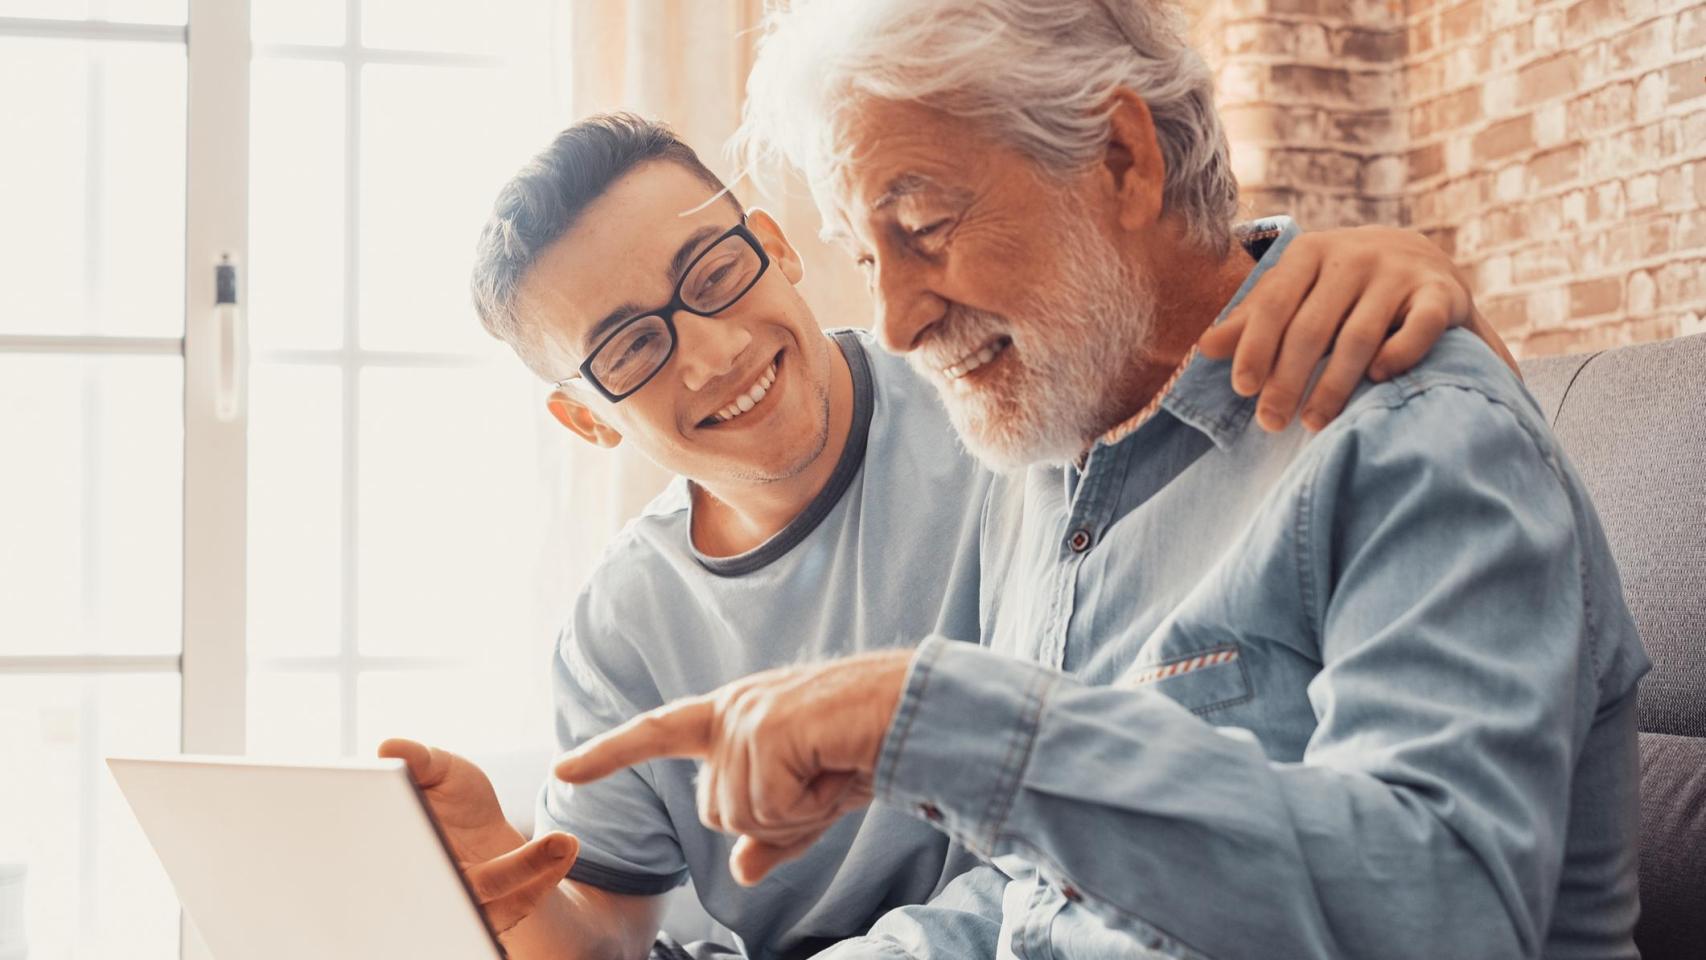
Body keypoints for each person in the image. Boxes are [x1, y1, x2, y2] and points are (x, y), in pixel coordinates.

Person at [554, 4, 1649, 960]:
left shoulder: (1406, 433)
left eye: (924, 228)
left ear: (1123, 158)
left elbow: (1442, 919)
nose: (889, 319)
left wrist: (945, 724)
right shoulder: (1049, 457)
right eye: (863, 248)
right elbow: (1038, 900)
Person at [388, 111, 1510, 960]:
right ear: (584, 416)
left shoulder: (995, 388)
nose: (713, 352)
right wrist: (500, 888)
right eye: (631, 348)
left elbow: (1266, 380)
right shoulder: (617, 629)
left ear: (773, 244)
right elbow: (606, 928)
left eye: (714, 275)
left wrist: (1408, 282)